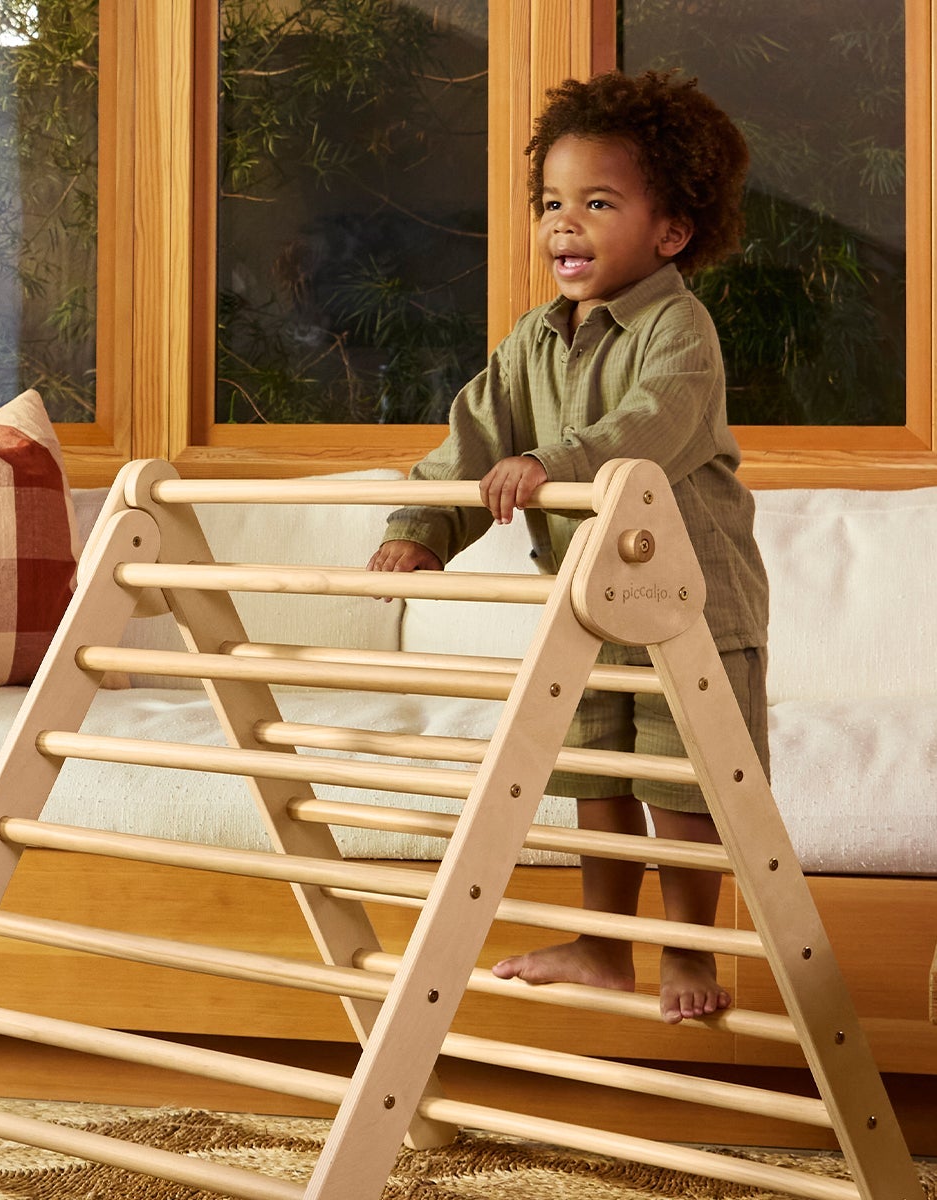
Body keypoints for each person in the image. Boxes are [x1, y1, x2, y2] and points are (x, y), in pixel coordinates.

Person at [368, 70, 769, 1025]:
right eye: (553, 202)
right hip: (588, 607)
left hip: (690, 607)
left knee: (680, 781)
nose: (565, 225)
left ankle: (687, 950)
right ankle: (601, 945)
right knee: (595, 774)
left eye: (598, 203)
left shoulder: (680, 330)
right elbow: (472, 435)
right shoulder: (530, 341)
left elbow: (649, 432)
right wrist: (421, 529)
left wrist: (548, 464)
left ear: (669, 231)